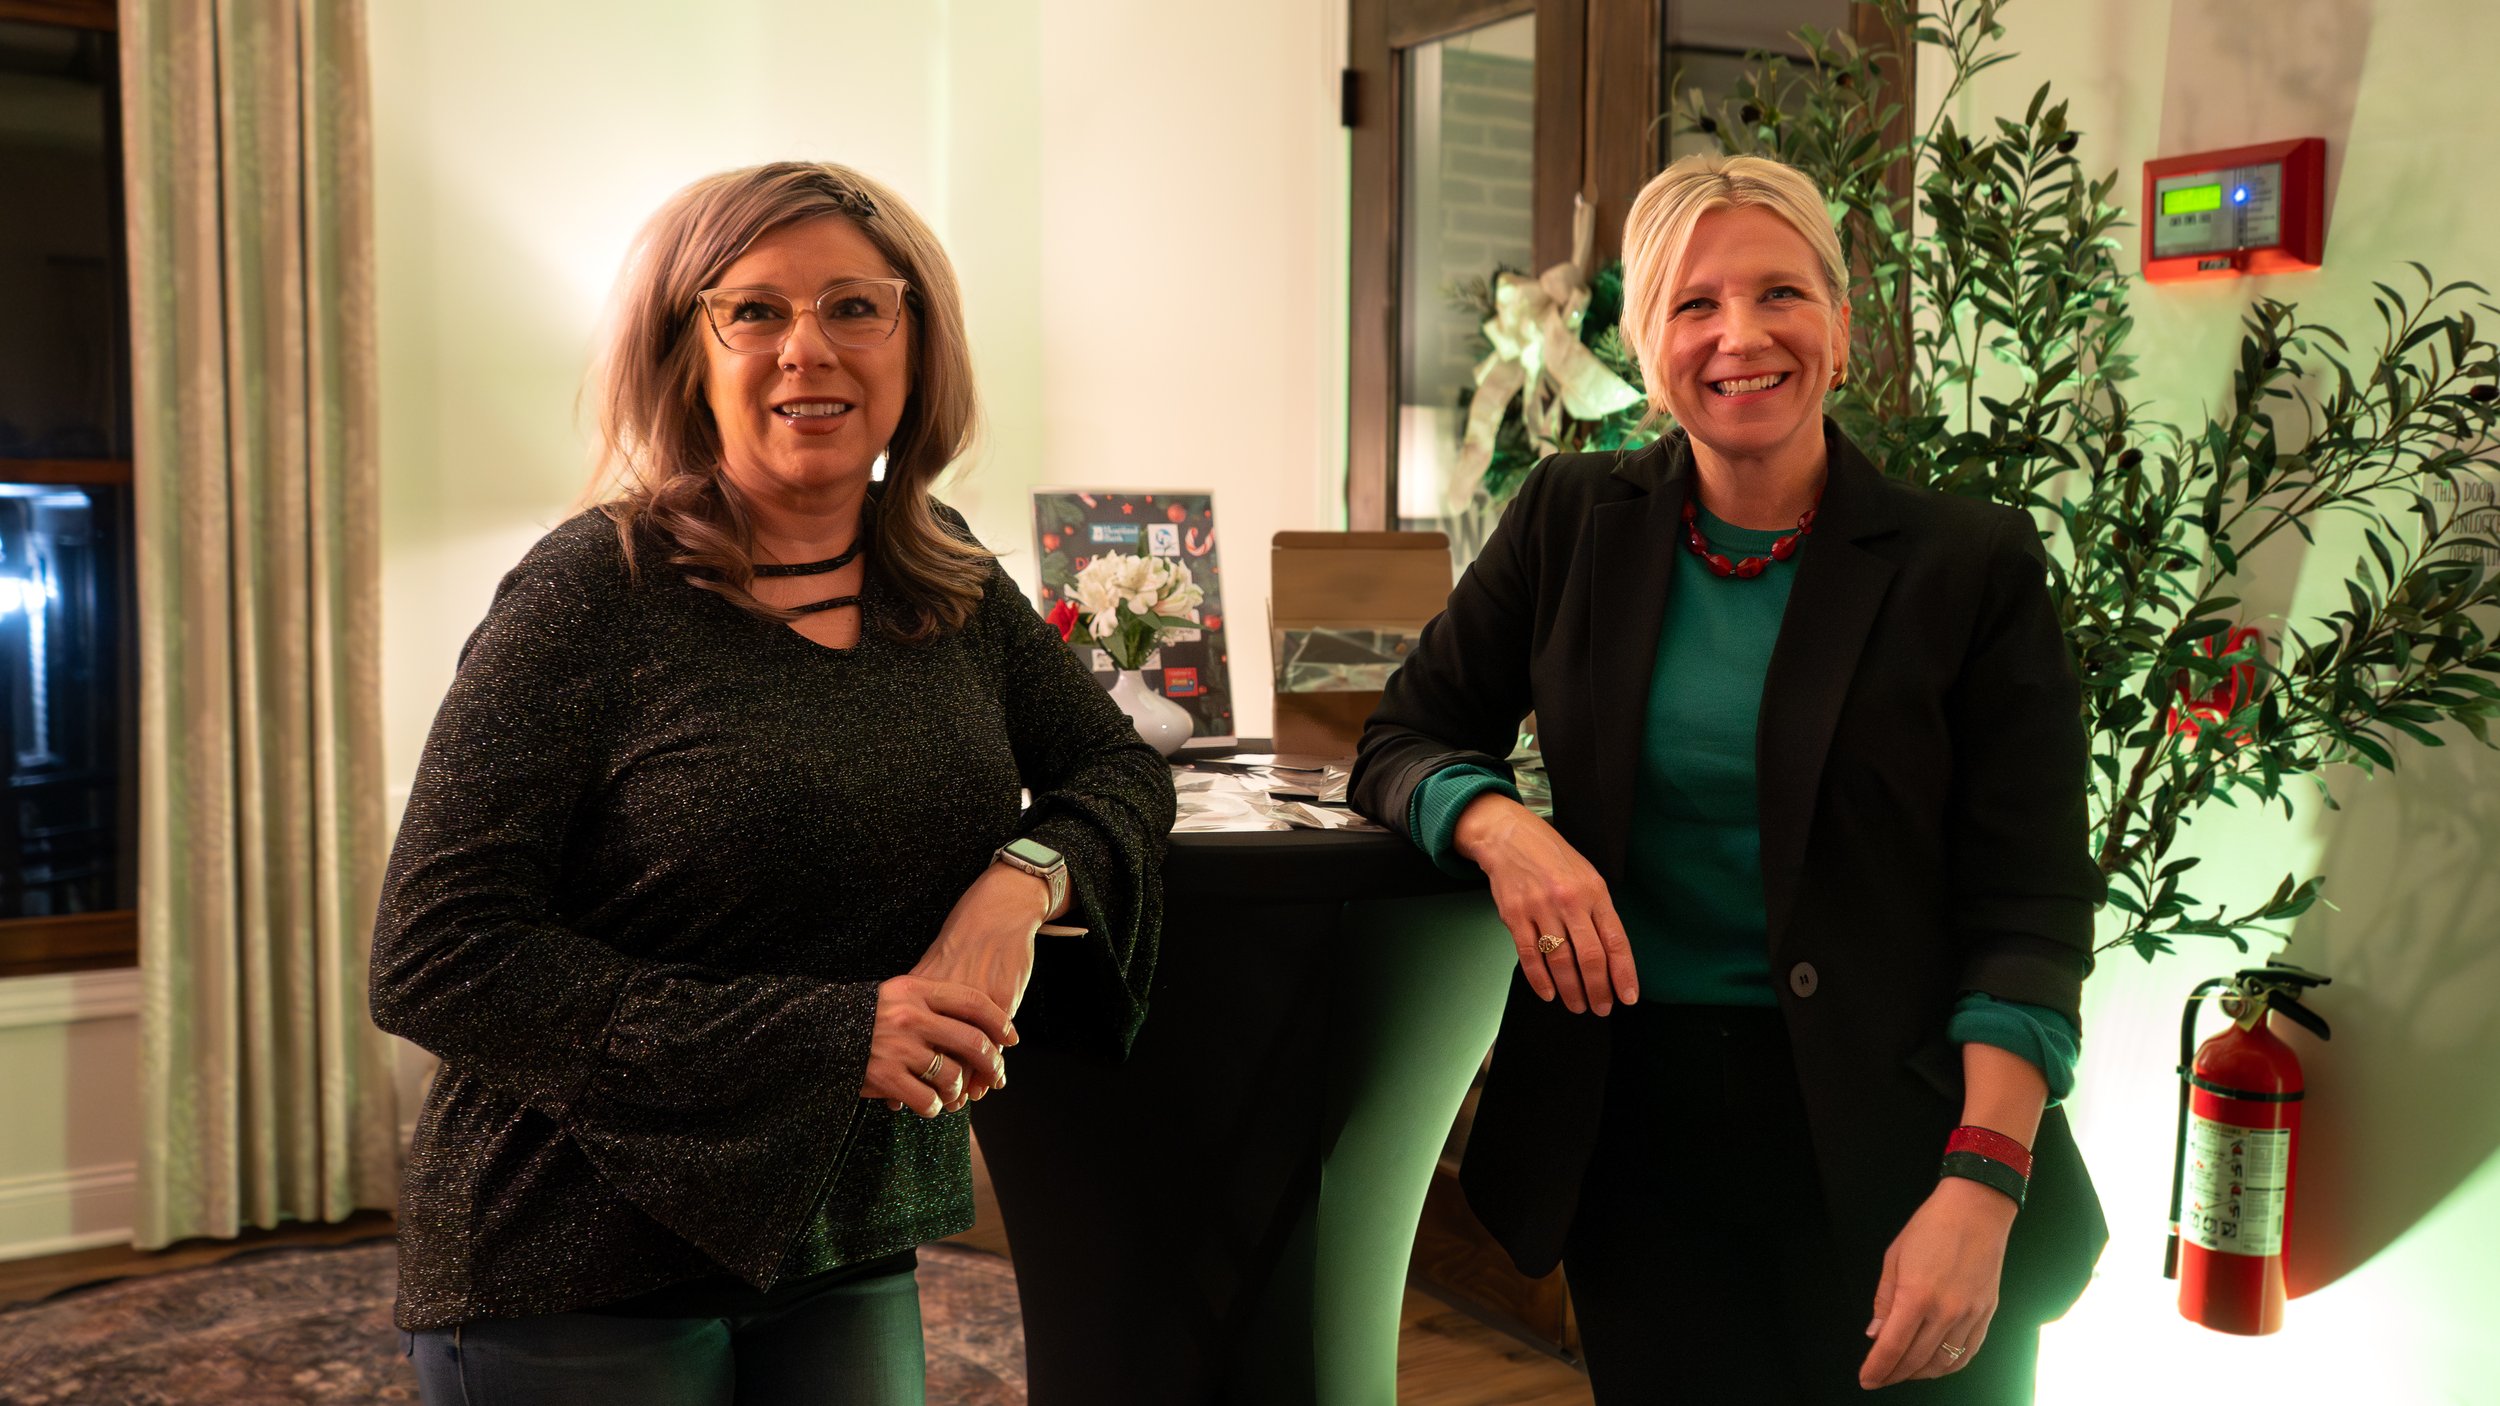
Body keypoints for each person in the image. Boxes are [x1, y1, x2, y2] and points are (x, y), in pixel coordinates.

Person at [371, 161, 1174, 1404]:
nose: (809, 349)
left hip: (841, 1228)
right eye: (753, 310)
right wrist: (834, 1032)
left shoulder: (945, 577)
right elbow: (433, 954)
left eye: (856, 306)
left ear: (915, 344)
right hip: (573, 1247)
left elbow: (1114, 764)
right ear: (687, 350)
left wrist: (1019, 882)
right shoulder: (591, 592)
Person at [1350, 152, 2106, 1403]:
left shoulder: (1964, 565)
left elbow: (2028, 906)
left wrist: (1981, 1184)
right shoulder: (1569, 517)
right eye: (1693, 304)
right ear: (1648, 345)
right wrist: (1499, 826)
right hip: (1636, 1148)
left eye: (1779, 294)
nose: (1738, 335)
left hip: (1907, 1134)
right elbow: (1403, 739)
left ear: (1840, 326)